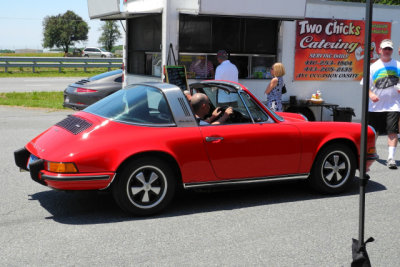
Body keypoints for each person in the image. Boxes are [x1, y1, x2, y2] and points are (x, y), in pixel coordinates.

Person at [362, 39, 400, 169]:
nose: (387, 51)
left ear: (392, 51)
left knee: (392, 131)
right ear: (380, 50)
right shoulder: (373, 67)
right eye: (385, 49)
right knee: (374, 132)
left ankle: (391, 158)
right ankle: (371, 152)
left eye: (389, 49)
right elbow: (364, 84)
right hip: (375, 107)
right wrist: (371, 94)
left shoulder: (398, 65)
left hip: (393, 105)